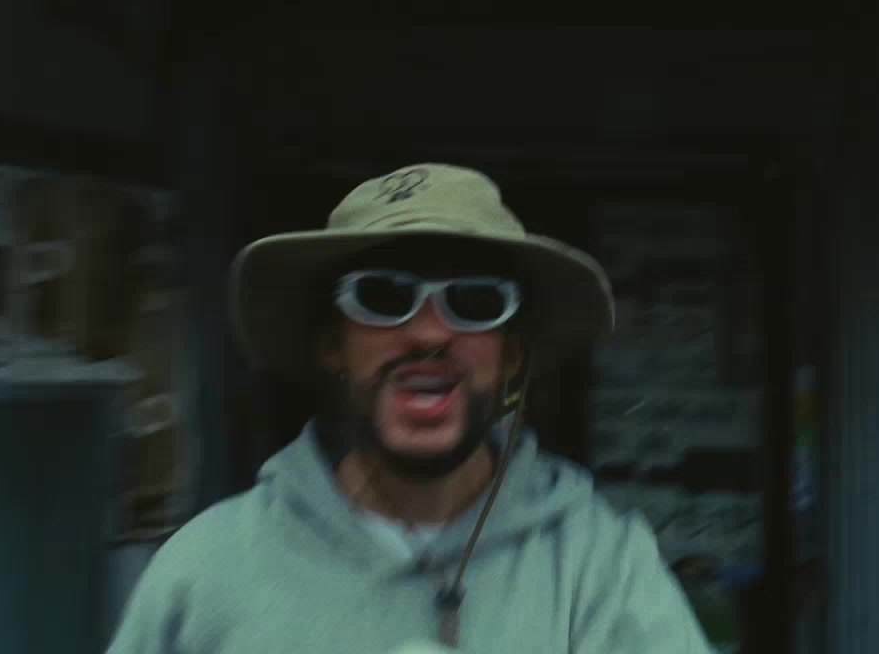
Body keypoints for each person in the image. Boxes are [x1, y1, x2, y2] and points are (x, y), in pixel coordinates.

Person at [106, 164, 713, 653]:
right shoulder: (208, 570)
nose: (428, 333)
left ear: (511, 357)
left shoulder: (600, 571)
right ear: (333, 345)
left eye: (474, 302)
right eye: (383, 296)